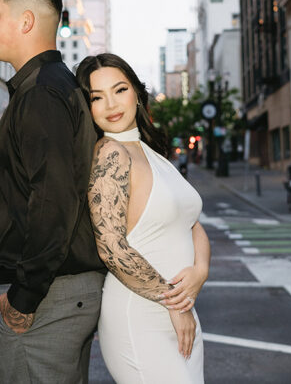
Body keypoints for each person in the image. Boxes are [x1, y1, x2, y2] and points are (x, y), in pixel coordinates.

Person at [0, 0, 106, 383]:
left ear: (26, 21)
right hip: (60, 293)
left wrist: (24, 296)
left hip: (47, 297)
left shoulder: (41, 94)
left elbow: (53, 201)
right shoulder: (53, 87)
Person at [76, 53, 211, 384]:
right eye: (96, 97)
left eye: (119, 89)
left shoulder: (150, 151)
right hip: (141, 314)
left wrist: (200, 273)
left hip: (178, 306)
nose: (111, 104)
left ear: (136, 91)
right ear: (86, 106)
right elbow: (111, 246)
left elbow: (193, 224)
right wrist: (175, 303)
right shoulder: (111, 154)